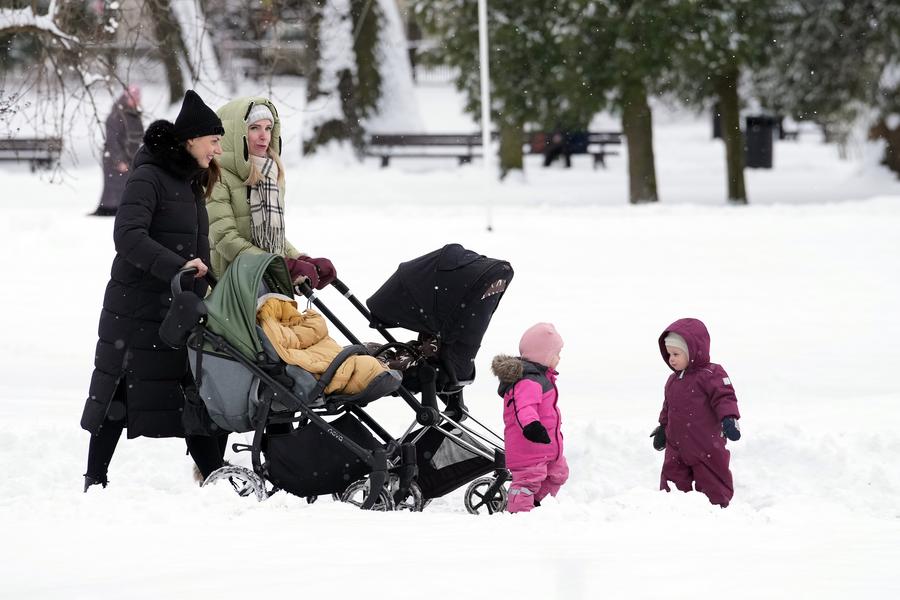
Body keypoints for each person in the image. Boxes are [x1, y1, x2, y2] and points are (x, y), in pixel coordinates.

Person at [81, 90, 228, 492]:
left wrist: (204, 279)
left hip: (174, 309)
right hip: (136, 308)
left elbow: (194, 245)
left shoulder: (190, 182)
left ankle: (216, 480)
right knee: (119, 393)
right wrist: (178, 267)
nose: (218, 149)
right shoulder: (149, 176)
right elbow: (127, 235)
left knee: (190, 392)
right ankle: (94, 481)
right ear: (191, 139)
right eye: (214, 140)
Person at [208, 96, 335, 288]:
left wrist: (300, 259)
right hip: (230, 289)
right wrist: (282, 265)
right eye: (254, 128)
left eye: (268, 128)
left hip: (266, 285)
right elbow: (226, 240)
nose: (264, 136)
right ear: (236, 134)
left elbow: (273, 239)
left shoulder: (271, 175)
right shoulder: (216, 176)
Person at [651, 318, 742, 507]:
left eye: (676, 354)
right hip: (676, 445)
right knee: (671, 480)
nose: (671, 359)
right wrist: (662, 427)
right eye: (669, 354)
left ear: (692, 351)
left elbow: (724, 397)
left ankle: (718, 511)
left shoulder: (712, 374)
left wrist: (729, 418)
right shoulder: (672, 380)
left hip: (705, 444)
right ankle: (670, 509)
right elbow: (668, 406)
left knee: (713, 482)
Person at [490, 323, 568, 513]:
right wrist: (532, 426)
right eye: (556, 354)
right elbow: (524, 407)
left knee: (559, 474)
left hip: (546, 446)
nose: (559, 358)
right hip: (529, 446)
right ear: (544, 355)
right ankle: (519, 514)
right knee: (527, 482)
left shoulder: (542, 378)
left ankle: (537, 504)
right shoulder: (528, 380)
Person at [91, 84, 145, 216]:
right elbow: (112, 141)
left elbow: (139, 136)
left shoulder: (134, 115)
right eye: (134, 98)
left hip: (130, 159)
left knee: (127, 188)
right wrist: (119, 160)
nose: (137, 101)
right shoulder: (116, 116)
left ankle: (120, 209)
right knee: (114, 189)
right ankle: (109, 210)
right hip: (114, 159)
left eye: (138, 98)